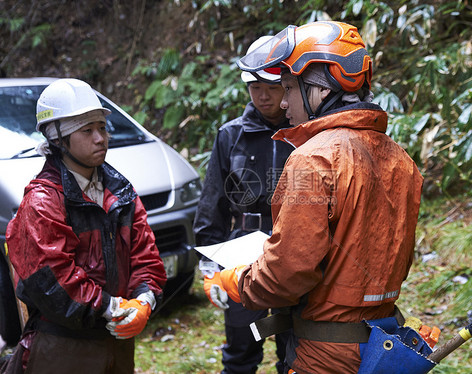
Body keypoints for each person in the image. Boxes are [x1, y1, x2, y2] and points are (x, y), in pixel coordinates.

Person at [219, 21, 424, 373]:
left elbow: (289, 271)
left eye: (288, 88)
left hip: (325, 355)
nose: (282, 102)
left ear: (318, 89)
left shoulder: (314, 159)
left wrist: (239, 283)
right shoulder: (400, 159)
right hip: (382, 348)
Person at [4, 78, 167, 373]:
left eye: (102, 128)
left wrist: (144, 299)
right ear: (57, 138)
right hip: (61, 349)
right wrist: (113, 308)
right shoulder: (43, 201)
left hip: (115, 342)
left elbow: (145, 255)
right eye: (87, 130)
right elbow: (54, 281)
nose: (100, 138)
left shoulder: (120, 192)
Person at [193, 36, 294, 374]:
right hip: (242, 256)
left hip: (294, 251)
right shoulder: (231, 136)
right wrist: (209, 266)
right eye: (254, 86)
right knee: (240, 348)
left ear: (288, 84)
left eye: (271, 86)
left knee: (295, 348)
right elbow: (213, 205)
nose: (262, 95)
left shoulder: (306, 133)